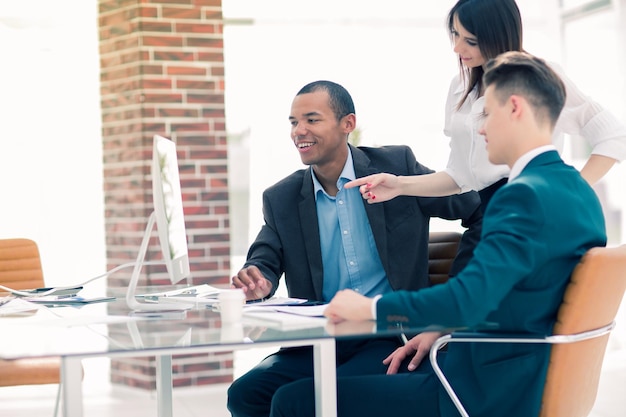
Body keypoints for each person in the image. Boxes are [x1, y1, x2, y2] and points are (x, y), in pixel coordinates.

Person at [268, 52, 608, 417]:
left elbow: (468, 300)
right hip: (519, 374)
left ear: (514, 108)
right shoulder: (576, 189)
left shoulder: (522, 196)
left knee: (294, 402)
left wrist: (369, 308)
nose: (480, 129)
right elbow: (516, 293)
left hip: (476, 390)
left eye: (486, 114)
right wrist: (440, 329)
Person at [227, 80, 483, 417]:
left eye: (312, 120)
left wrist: (458, 289)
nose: (298, 131)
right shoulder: (282, 198)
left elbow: (475, 206)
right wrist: (257, 277)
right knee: (244, 394)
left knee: (304, 400)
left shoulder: (396, 169)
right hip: (319, 340)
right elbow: (266, 257)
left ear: (348, 123)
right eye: (293, 122)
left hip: (388, 334)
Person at [347, 0, 626, 211]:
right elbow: (460, 177)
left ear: (498, 37)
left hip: (531, 210)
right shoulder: (459, 86)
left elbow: (613, 136)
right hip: (486, 213)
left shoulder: (538, 77)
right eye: (454, 34)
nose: (457, 48)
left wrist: (573, 191)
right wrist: (399, 185)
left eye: (470, 41)